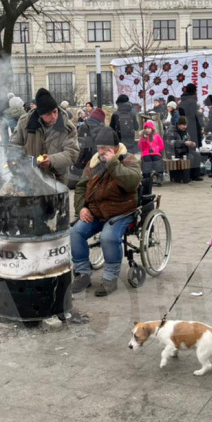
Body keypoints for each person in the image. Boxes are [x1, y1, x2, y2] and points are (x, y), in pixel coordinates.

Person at [70, 127, 142, 297]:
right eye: (99, 148)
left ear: (116, 148)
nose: (101, 152)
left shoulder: (129, 160)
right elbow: (80, 188)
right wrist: (82, 208)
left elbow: (131, 183)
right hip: (95, 211)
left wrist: (112, 163)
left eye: (105, 148)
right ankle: (82, 273)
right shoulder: (93, 163)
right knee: (75, 232)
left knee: (108, 237)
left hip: (121, 211)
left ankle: (110, 277)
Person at [9, 88, 78, 184]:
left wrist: (52, 160)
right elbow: (14, 147)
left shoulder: (67, 127)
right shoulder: (25, 123)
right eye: (48, 114)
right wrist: (20, 164)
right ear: (40, 114)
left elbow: (72, 153)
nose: (53, 116)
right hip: (30, 178)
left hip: (57, 180)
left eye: (55, 111)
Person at [178, 84, 204, 181]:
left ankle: (189, 173)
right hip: (192, 128)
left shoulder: (181, 102)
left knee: (188, 151)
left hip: (183, 126)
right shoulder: (192, 101)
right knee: (193, 150)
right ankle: (194, 174)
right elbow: (194, 116)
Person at [163, 116, 195, 184]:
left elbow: (187, 140)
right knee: (189, 157)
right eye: (183, 125)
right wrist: (183, 143)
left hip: (182, 151)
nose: (185, 127)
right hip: (173, 153)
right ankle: (185, 178)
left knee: (196, 155)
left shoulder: (185, 131)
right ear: (178, 124)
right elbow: (170, 143)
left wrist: (191, 144)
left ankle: (194, 176)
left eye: (186, 125)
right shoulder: (170, 130)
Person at [138, 120, 164, 187]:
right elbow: (140, 147)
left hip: (155, 152)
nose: (147, 130)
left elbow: (161, 146)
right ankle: (147, 178)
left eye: (149, 128)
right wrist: (143, 139)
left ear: (152, 128)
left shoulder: (157, 136)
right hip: (146, 153)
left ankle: (159, 177)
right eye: (146, 128)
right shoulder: (143, 137)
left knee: (157, 159)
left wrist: (155, 149)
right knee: (147, 160)